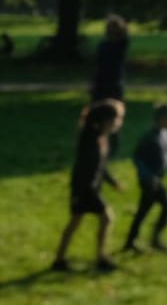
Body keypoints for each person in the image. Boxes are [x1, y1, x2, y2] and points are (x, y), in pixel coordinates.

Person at [51, 99, 124, 273]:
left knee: (76, 222)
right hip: (85, 189)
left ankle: (60, 259)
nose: (119, 123)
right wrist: (82, 191)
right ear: (106, 119)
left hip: (91, 188)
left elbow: (101, 166)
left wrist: (113, 182)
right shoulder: (89, 139)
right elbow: (83, 169)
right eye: (117, 119)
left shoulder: (101, 138)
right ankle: (101, 257)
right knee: (106, 218)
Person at [124, 102, 167, 254]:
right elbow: (138, 158)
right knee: (166, 206)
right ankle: (154, 240)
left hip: (157, 179)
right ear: (163, 119)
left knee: (144, 210)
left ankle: (132, 241)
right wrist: (146, 176)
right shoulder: (149, 138)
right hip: (149, 180)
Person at [91, 16, 130, 103]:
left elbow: (125, 36)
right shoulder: (103, 45)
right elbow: (98, 64)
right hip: (101, 80)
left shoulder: (121, 44)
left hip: (114, 80)